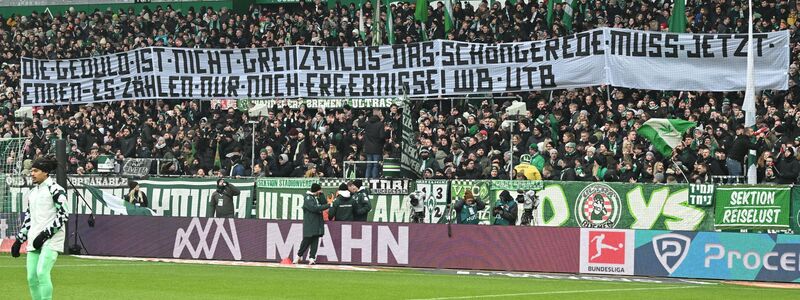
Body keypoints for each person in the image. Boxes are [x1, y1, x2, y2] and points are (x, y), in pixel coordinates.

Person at [11, 156, 69, 300]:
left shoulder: (56, 190)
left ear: (45, 172)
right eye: (32, 171)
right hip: (34, 237)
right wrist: (19, 240)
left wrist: (45, 234)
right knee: (31, 278)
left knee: (42, 273)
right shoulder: (33, 192)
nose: (32, 174)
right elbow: (29, 218)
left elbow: (63, 215)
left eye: (36, 171)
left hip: (51, 238)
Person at [294, 183, 329, 265]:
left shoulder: (316, 197)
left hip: (317, 222)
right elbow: (314, 208)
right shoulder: (308, 198)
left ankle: (312, 258)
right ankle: (298, 256)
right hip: (310, 223)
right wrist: (328, 205)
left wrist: (321, 195)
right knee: (306, 240)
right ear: (316, 190)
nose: (320, 191)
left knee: (315, 240)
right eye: (319, 190)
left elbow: (324, 203)